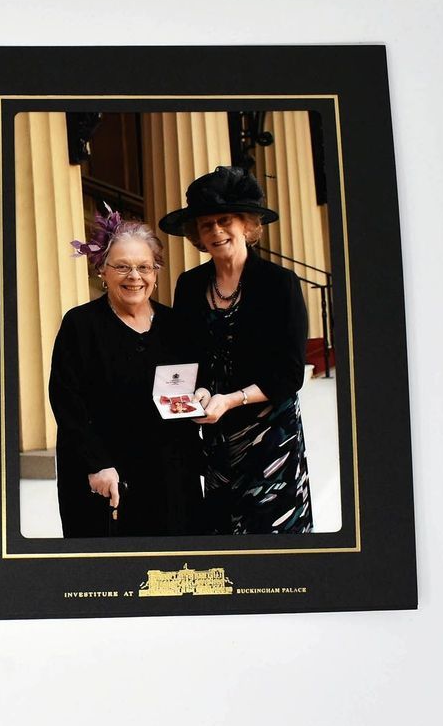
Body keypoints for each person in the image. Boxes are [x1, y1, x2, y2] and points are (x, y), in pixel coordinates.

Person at [160, 166, 313, 534]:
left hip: (269, 434)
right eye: (206, 224)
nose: (215, 231)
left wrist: (230, 400)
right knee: (224, 536)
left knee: (270, 536)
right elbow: (185, 356)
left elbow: (289, 375)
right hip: (216, 436)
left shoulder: (280, 284)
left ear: (247, 224)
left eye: (224, 220)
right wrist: (193, 391)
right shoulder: (190, 285)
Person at [48, 207, 203, 537]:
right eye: (122, 267)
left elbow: (194, 381)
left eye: (144, 267)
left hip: (170, 476)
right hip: (108, 477)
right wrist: (95, 465)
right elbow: (66, 401)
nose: (135, 276)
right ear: (103, 271)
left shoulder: (176, 325)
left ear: (156, 273)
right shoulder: (81, 325)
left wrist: (201, 394)